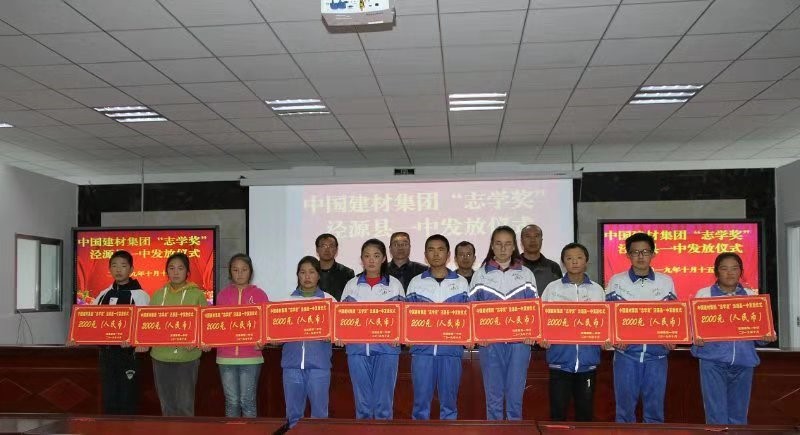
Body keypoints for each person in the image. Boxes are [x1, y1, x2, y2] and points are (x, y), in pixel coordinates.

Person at [691, 252, 777, 425]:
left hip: (743, 363)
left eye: (734, 268)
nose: (730, 273)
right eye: (724, 268)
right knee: (716, 415)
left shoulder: (752, 297)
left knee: (739, 416)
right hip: (713, 362)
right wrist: (695, 338)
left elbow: (762, 337)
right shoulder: (704, 294)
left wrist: (767, 336)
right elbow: (693, 329)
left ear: (741, 272)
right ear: (716, 272)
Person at [605, 232, 677, 423]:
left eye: (645, 252)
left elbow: (673, 316)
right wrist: (615, 337)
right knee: (624, 412)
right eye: (635, 252)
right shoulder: (617, 281)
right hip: (626, 355)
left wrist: (673, 337)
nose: (640, 256)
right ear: (628, 255)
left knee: (655, 412)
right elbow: (609, 317)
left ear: (653, 254)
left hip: (657, 356)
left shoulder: (666, 281)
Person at [469, 226, 538, 421]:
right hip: (490, 344)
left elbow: (534, 310)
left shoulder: (526, 274)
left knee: (515, 398)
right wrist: (477, 335)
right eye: (498, 243)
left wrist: (532, 332)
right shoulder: (480, 275)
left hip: (520, 344)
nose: (503, 248)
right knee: (493, 399)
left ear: (514, 246)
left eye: (508, 244)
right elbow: (471, 309)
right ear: (492, 245)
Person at [539, 243, 608, 422]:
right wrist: (542, 337)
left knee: (585, 416)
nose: (574, 262)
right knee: (558, 415)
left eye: (579, 258)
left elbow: (605, 323)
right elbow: (540, 320)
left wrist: (607, 340)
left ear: (586, 261)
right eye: (569, 258)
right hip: (559, 363)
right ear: (563, 263)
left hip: (588, 364)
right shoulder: (552, 289)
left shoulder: (597, 290)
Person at [406, 234, 470, 420]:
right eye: (431, 250)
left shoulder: (461, 282)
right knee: (420, 404)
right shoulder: (416, 282)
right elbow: (407, 318)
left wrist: (469, 336)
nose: (436, 254)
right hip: (422, 353)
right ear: (425, 255)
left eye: (441, 250)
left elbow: (468, 317)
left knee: (449, 404)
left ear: (448, 255)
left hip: (451, 352)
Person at [340, 239, 405, 419]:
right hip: (357, 350)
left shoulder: (394, 285)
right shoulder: (351, 285)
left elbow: (403, 318)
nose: (371, 260)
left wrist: (400, 335)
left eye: (376, 256)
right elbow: (341, 317)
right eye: (367, 256)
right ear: (361, 259)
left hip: (387, 350)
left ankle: (384, 429)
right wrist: (340, 334)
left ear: (384, 258)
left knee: (384, 403)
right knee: (362, 404)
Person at [138, 252, 208, 416]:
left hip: (187, 358)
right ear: (166, 272)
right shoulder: (157, 295)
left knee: (184, 406)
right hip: (160, 357)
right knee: (167, 406)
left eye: (180, 268)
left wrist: (197, 340)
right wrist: (142, 341)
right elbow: (149, 324)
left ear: (187, 272)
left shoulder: (197, 295)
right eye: (171, 268)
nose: (176, 272)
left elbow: (204, 325)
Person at [92, 250, 150, 415]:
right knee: (109, 398)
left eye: (123, 265)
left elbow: (146, 325)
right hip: (106, 355)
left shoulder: (140, 296)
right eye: (114, 265)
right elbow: (90, 320)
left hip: (128, 356)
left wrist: (137, 341)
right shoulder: (103, 295)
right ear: (109, 269)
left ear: (131, 269)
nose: (118, 269)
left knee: (127, 399)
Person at [282, 256, 334, 428]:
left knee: (319, 416)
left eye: (312, 272)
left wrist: (332, 335)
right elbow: (276, 334)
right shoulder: (286, 301)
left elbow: (338, 332)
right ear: (297, 275)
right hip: (292, 366)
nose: (307, 276)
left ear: (318, 275)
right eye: (303, 272)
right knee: (293, 416)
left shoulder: (329, 300)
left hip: (319, 367)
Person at [215, 254, 269, 418]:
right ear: (230, 272)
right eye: (235, 270)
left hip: (251, 356)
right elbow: (215, 324)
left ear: (250, 272)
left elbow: (266, 324)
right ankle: (232, 430)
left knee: (248, 401)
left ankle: (249, 430)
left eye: (244, 269)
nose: (240, 274)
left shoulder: (260, 295)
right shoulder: (222, 295)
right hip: (226, 357)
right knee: (231, 402)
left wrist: (263, 340)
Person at [520, 224, 562, 296]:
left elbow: (560, 295)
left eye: (536, 236)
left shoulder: (553, 267)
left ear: (541, 240)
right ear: (522, 241)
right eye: (528, 236)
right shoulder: (512, 266)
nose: (532, 240)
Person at [315, 233, 355, 301]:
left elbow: (351, 297)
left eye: (331, 246)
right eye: (323, 246)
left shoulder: (347, 273)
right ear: (317, 249)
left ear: (336, 249)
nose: (327, 250)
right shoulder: (310, 272)